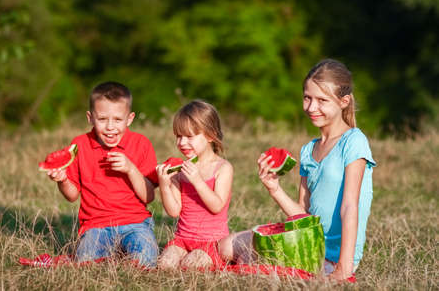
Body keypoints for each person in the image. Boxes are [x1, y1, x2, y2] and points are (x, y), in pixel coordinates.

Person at [219, 59, 376, 281]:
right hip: (306, 244)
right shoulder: (308, 150)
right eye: (307, 98)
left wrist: (344, 268)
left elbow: (350, 207)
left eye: (321, 100)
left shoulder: (354, 141)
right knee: (226, 245)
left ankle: (259, 266)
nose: (311, 107)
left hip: (333, 257)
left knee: (249, 262)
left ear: (344, 101)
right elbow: (302, 217)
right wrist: (274, 188)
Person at [46, 81, 159, 266]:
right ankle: (116, 254)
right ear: (90, 118)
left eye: (117, 119)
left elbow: (148, 196)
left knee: (145, 260)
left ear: (129, 119)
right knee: (85, 262)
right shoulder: (80, 145)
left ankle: (122, 254)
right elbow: (72, 196)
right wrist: (63, 179)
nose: (110, 127)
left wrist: (131, 169)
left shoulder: (141, 144)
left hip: (136, 223)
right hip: (96, 226)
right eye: (102, 119)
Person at [156, 100, 234, 269]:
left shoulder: (223, 168)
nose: (182, 143)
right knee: (164, 264)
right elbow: (173, 211)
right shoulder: (180, 171)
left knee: (191, 266)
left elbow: (217, 206)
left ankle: (211, 259)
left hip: (212, 242)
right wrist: (164, 184)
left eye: (189, 136)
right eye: (178, 136)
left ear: (210, 135)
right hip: (183, 240)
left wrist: (198, 181)